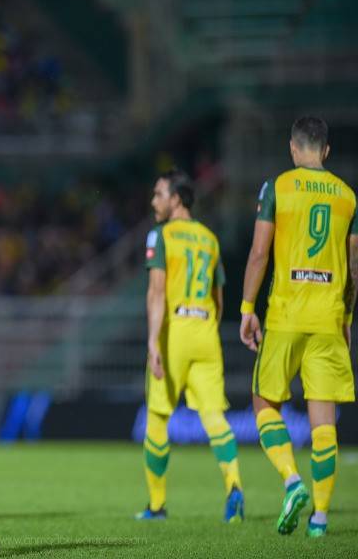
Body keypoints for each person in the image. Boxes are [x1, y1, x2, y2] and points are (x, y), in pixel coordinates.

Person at [240, 116, 357, 537]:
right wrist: (346, 318)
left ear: (293, 148)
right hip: (328, 319)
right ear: (326, 151)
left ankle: (292, 481)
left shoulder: (278, 187)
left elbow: (258, 253)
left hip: (287, 314)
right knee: (324, 421)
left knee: (262, 402)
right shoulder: (348, 196)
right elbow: (355, 269)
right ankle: (321, 521)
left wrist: (246, 308)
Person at [140, 169, 244, 522]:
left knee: (157, 417)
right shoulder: (210, 239)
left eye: (159, 194)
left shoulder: (161, 234)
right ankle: (234, 484)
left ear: (176, 199)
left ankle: (156, 505)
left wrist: (154, 341)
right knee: (214, 416)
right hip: (206, 330)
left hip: (176, 331)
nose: (154, 201)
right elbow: (219, 296)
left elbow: (156, 292)